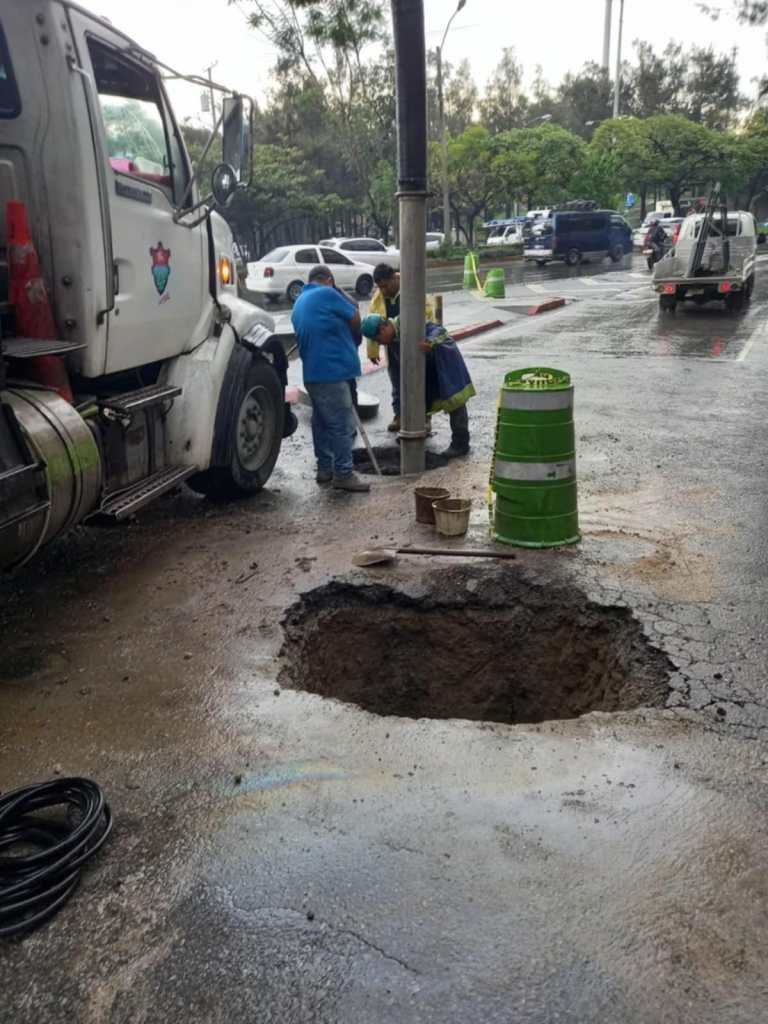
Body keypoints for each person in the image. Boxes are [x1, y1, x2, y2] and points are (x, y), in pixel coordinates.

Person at [291, 265, 370, 492]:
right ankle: (344, 474)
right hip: (332, 371)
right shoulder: (326, 293)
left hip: (313, 374)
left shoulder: (299, 302)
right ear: (328, 280)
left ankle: (325, 468)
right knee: (341, 424)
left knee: (322, 422)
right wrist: (337, 289)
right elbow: (355, 316)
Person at [361, 314, 474, 459]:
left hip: (444, 364)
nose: (380, 343)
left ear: (383, 329)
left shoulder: (408, 321)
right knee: (422, 402)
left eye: (378, 339)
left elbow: (439, 331)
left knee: (455, 403)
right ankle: (415, 435)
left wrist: (430, 342)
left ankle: (460, 444)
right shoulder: (393, 339)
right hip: (428, 371)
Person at [368, 264, 434, 432]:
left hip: (415, 345)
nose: (383, 290)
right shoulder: (378, 298)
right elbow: (372, 323)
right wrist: (373, 350)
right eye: (380, 287)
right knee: (396, 381)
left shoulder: (412, 289)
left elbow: (428, 316)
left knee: (420, 381)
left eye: (385, 285)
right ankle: (399, 415)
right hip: (392, 347)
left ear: (394, 278)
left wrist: (429, 341)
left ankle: (424, 418)